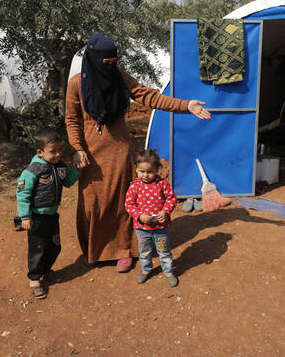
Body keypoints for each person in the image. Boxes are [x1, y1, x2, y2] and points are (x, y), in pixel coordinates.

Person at [65, 32, 211, 273]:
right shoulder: (76, 84)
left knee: (123, 202)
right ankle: (96, 250)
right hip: (90, 155)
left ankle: (124, 250)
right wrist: (78, 149)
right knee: (93, 204)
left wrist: (185, 105)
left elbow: (149, 97)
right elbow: (71, 120)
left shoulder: (120, 78)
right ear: (92, 59)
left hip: (120, 151)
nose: (111, 67)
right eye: (106, 63)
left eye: (114, 62)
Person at [15, 127, 81, 299]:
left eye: (60, 150)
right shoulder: (32, 171)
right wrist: (26, 216)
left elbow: (67, 182)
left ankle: (46, 270)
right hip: (36, 218)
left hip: (52, 216)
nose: (58, 154)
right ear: (40, 152)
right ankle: (35, 278)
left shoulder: (59, 166)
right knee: (37, 248)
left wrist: (77, 169)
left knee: (54, 246)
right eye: (53, 151)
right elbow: (22, 194)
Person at [125, 149, 178, 287]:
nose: (146, 175)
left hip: (161, 227)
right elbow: (129, 205)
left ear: (157, 169)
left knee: (164, 251)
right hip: (142, 228)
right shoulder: (134, 187)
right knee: (144, 251)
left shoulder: (162, 184)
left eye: (150, 171)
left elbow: (171, 199)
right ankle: (146, 269)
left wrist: (166, 211)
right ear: (136, 169)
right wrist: (140, 215)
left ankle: (168, 271)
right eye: (142, 171)